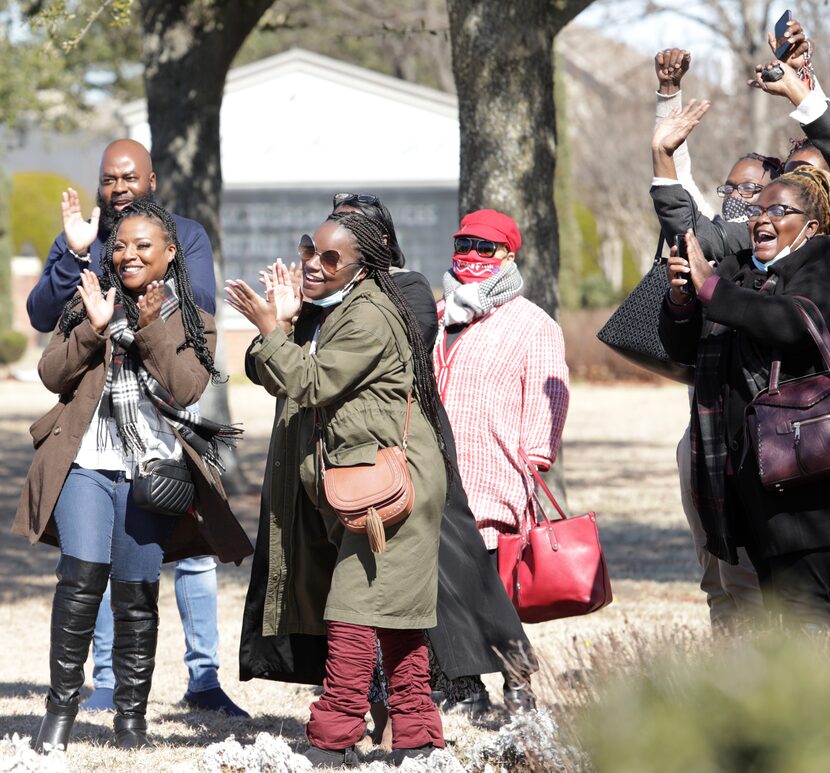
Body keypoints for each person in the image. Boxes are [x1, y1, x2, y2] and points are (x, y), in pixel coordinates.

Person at [14, 200, 253, 752]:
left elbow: (188, 386)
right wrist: (96, 331)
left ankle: (130, 719)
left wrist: (149, 331)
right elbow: (52, 374)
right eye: (120, 244)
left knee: (137, 594)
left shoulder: (193, 317)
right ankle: (61, 711)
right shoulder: (90, 300)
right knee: (80, 577)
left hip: (152, 471)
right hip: (86, 462)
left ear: (170, 254)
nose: (128, 255)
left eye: (143, 245)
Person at [227, 211, 447, 767]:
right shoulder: (335, 309)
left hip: (394, 485)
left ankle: (333, 737)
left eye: (330, 258)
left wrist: (270, 326)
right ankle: (418, 737)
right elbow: (278, 371)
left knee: (352, 611)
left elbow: (309, 382)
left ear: (362, 264)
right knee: (394, 619)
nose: (313, 264)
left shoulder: (368, 315)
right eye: (309, 250)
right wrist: (283, 325)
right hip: (363, 482)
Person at [660, 166, 830, 627]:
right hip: (742, 477)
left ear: (811, 226)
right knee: (773, 610)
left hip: (807, 484)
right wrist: (681, 302)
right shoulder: (735, 269)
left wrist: (711, 289)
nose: (762, 220)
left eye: (779, 210)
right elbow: (685, 354)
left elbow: (790, 324)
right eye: (757, 211)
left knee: (809, 614)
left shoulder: (821, 263)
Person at [432, 208, 569, 708]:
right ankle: (463, 683)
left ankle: (516, 679)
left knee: (488, 579)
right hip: (436, 468)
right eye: (463, 244)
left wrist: (535, 456)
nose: (470, 255)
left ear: (509, 253)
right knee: (443, 580)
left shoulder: (533, 323)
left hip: (496, 467)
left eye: (484, 247)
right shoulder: (441, 315)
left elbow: (549, 395)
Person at [650, 50, 765, 630]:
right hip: (705, 433)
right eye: (732, 188)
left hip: (763, 439)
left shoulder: (775, 264)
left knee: (758, 586)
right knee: (718, 582)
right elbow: (681, 201)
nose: (738, 198)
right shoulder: (714, 247)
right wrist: (668, 104)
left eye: (754, 191)